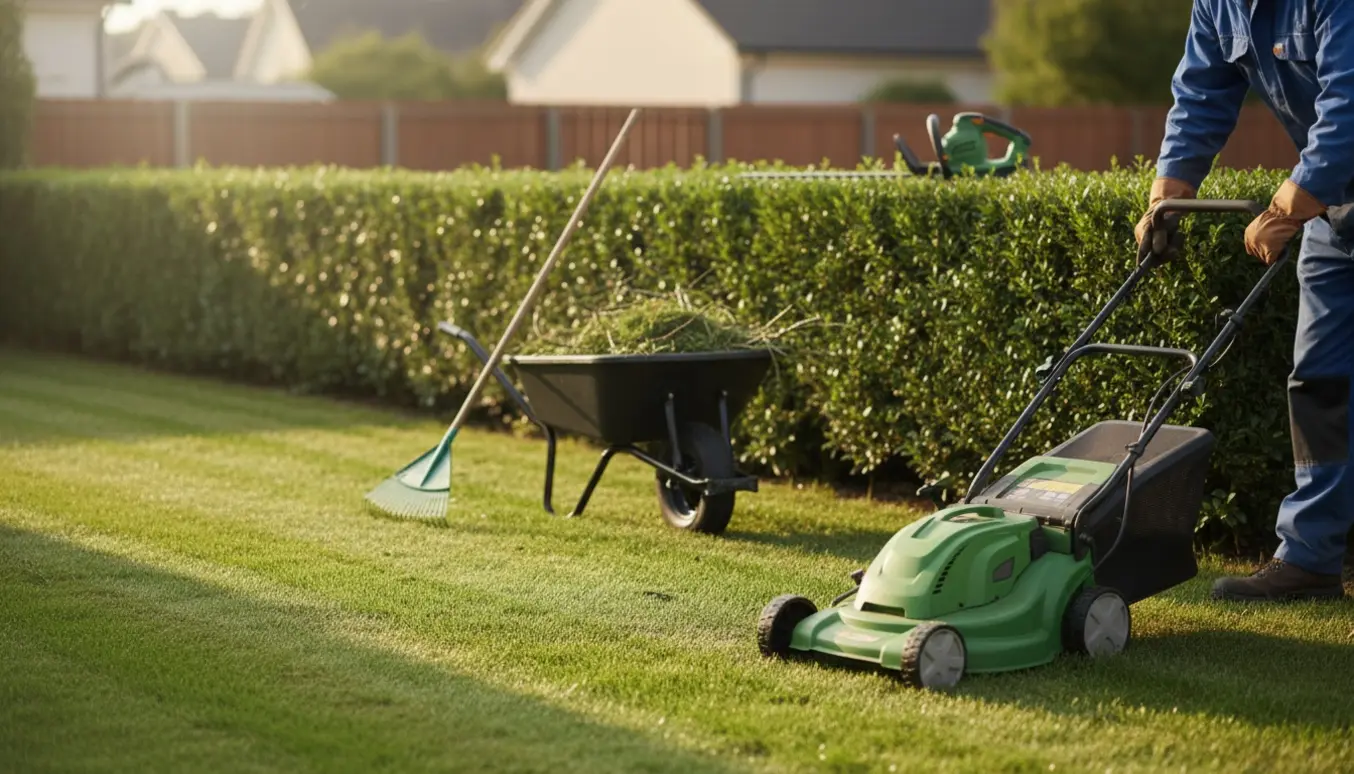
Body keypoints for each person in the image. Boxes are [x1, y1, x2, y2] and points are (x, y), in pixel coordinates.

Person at [1135, 0, 1353, 602]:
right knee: (1319, 385)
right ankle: (1310, 558)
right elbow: (1201, 94)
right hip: (1338, 214)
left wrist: (1285, 210)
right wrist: (1166, 199)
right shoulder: (1219, 6)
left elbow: (1348, 107)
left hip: (1323, 193)